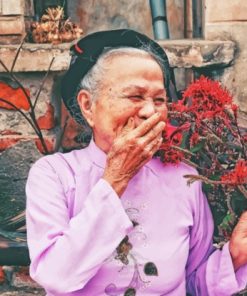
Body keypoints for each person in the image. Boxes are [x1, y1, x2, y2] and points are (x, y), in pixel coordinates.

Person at [26, 29, 247, 296]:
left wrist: (235, 256)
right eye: (135, 96)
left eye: (159, 100)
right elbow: (56, 276)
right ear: (88, 106)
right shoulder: (55, 175)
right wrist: (116, 178)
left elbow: (193, 284)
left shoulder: (184, 179)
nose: (149, 111)